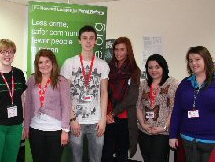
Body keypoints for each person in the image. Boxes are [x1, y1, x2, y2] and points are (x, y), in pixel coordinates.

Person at [61, 25, 109, 162]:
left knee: (96, 158)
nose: (88, 41)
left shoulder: (102, 65)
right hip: (77, 121)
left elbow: (104, 92)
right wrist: (72, 118)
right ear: (79, 41)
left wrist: (103, 119)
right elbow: (65, 94)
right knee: (76, 158)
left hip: (96, 121)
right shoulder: (69, 63)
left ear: (96, 41)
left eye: (91, 38)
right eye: (85, 38)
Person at [169, 46, 215, 162]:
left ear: (206, 60)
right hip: (189, 140)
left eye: (197, 59)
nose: (193, 63)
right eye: (190, 60)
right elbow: (177, 111)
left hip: (214, 141)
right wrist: (173, 135)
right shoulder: (185, 84)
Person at [23, 49, 71, 162]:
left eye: (47, 61)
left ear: (53, 63)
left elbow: (66, 106)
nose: (44, 65)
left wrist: (65, 130)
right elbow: (28, 103)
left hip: (55, 130)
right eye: (40, 62)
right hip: (35, 129)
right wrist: (26, 126)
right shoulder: (32, 80)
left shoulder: (61, 81)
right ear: (37, 65)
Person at [101, 37, 141, 162]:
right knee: (106, 153)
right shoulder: (107, 68)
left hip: (124, 118)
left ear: (128, 51)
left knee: (121, 154)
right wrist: (106, 115)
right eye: (116, 49)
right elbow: (103, 92)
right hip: (108, 118)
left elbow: (131, 98)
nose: (118, 53)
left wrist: (113, 113)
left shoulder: (134, 71)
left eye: (122, 49)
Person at [137, 54, 178, 162]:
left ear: (163, 67)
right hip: (144, 130)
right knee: (147, 158)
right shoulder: (143, 84)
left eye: (157, 67)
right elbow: (138, 106)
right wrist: (143, 124)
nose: (153, 70)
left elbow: (174, 109)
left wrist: (164, 127)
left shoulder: (172, 84)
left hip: (162, 132)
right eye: (150, 67)